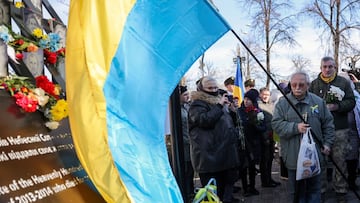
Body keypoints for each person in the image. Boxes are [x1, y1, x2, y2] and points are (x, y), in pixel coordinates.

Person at [272, 71, 335, 203]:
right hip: (293, 157)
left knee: (314, 190)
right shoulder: (283, 104)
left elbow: (328, 124)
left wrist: (328, 143)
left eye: (301, 84)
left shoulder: (318, 102)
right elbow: (276, 125)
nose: (297, 88)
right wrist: (295, 128)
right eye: (294, 84)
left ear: (308, 85)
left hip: (315, 157)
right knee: (295, 193)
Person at [309, 56, 355, 202]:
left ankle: (341, 191)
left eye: (330, 67)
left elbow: (351, 102)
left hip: (339, 128)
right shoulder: (314, 85)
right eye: (325, 67)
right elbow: (308, 103)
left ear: (335, 67)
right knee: (320, 161)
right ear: (320, 68)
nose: (327, 69)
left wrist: (337, 106)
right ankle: (320, 190)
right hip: (319, 130)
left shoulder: (343, 83)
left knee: (339, 160)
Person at [188, 76, 240, 203]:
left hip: (224, 155)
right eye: (210, 88)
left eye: (216, 87)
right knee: (213, 194)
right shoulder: (197, 104)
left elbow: (229, 123)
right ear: (201, 89)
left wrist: (233, 111)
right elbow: (204, 120)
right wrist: (219, 106)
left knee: (227, 187)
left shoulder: (218, 102)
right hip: (210, 158)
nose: (214, 90)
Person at [237, 88, 265, 197]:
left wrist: (255, 125)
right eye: (245, 98)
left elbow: (263, 127)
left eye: (249, 99)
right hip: (243, 144)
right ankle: (245, 188)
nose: (246, 101)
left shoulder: (258, 111)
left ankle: (252, 187)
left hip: (254, 143)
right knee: (244, 167)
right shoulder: (240, 111)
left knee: (253, 167)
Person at [338, 72, 360, 191]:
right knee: (340, 158)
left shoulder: (356, 94)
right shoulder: (334, 94)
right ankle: (340, 182)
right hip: (340, 130)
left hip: (354, 131)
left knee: (353, 157)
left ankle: (351, 180)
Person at [258, 87, 280, 187]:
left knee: (270, 159)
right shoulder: (258, 106)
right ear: (260, 95)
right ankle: (265, 181)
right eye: (264, 94)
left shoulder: (272, 105)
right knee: (264, 160)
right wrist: (264, 137)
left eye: (267, 94)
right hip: (263, 138)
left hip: (272, 136)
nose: (265, 96)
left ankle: (269, 179)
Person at [179, 85, 194, 202]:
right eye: (185, 95)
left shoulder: (187, 107)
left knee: (191, 169)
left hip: (190, 143)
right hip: (184, 144)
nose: (187, 96)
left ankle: (191, 190)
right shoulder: (177, 110)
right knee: (186, 170)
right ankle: (186, 192)